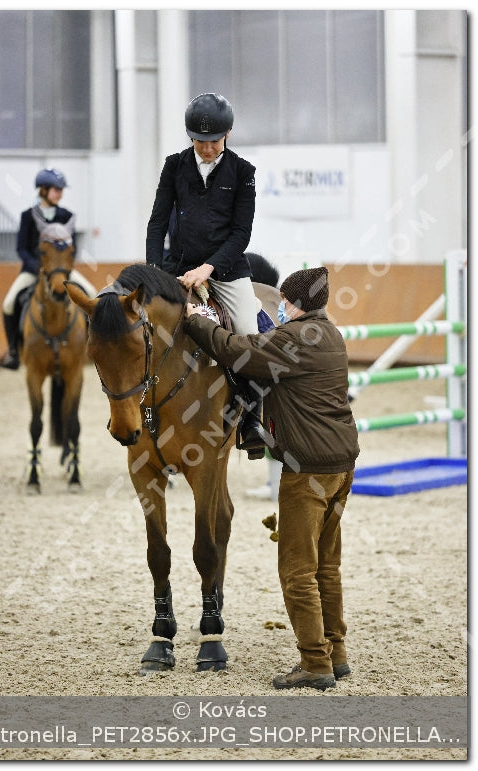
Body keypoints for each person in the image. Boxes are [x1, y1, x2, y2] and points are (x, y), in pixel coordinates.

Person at [183, 267, 359, 690]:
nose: (278, 306)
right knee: (327, 566)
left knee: (297, 571)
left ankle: (314, 664)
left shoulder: (292, 340)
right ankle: (336, 654)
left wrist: (196, 320)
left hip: (307, 471)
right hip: (342, 465)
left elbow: (235, 350)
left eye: (283, 300)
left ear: (294, 303)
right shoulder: (331, 334)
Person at [145, 92, 265, 458]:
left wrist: (208, 268)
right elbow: (158, 221)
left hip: (225, 271)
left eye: (213, 142)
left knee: (248, 332)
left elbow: (241, 234)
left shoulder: (243, 173)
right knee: (141, 326)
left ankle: (251, 420)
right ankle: (142, 408)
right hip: (176, 268)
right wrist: (153, 270)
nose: (207, 149)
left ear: (227, 135)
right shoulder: (174, 166)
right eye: (199, 141)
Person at [0, 167, 96, 370]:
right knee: (9, 302)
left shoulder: (66, 215)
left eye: (61, 190)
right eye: (56, 189)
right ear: (43, 190)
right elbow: (21, 248)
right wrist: (36, 267)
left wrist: (63, 267)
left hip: (61, 271)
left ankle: (92, 345)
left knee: (92, 294)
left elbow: (73, 247)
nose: (59, 193)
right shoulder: (28, 216)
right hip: (33, 270)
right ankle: (13, 351)